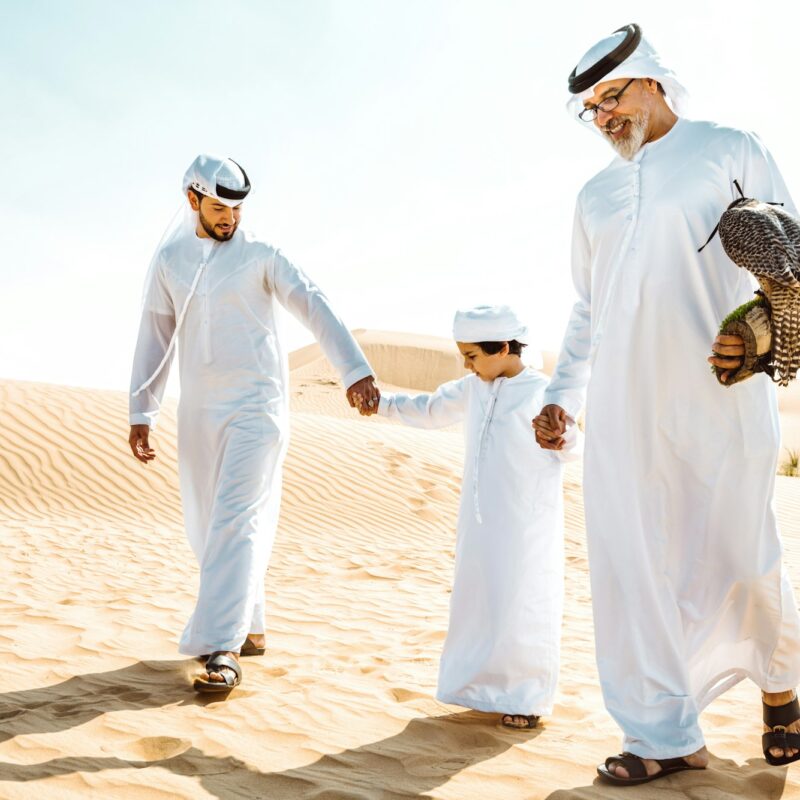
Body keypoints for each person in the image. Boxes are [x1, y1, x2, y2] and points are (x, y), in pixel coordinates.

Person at [533, 23, 800, 786]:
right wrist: (561, 393)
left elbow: (794, 264)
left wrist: (762, 328)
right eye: (590, 109)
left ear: (651, 81)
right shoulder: (595, 196)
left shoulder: (727, 149)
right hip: (621, 411)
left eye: (611, 97)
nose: (604, 117)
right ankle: (661, 734)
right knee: (631, 566)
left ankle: (782, 684)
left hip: (717, 400)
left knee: (741, 556)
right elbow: (589, 306)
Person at [128, 154, 379, 693]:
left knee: (235, 520)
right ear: (193, 200)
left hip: (257, 409)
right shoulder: (169, 261)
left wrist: (353, 370)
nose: (230, 219)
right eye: (219, 207)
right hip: (198, 413)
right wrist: (141, 410)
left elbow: (314, 304)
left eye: (237, 210)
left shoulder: (263, 254)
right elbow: (156, 336)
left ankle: (221, 648)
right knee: (206, 524)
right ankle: (253, 626)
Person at [355, 305, 579, 729]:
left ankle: (526, 699)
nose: (467, 364)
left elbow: (575, 440)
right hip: (478, 521)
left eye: (472, 355)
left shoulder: (543, 390)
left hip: (527, 522)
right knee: (480, 603)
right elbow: (430, 409)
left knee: (523, 604)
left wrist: (561, 438)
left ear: (502, 348)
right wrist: (381, 404)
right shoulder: (474, 388)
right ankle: (478, 690)